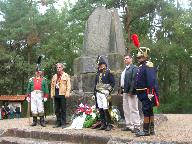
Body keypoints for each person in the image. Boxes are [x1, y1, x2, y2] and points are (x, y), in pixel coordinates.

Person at [134, 47, 159, 137]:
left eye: (141, 57)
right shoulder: (141, 66)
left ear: (145, 56)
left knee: (146, 110)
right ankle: (151, 130)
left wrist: (150, 92)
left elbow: (151, 80)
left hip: (147, 92)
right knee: (149, 110)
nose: (139, 59)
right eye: (138, 57)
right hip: (142, 92)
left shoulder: (149, 65)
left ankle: (146, 130)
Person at [120, 54, 141, 133]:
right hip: (125, 91)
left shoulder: (134, 68)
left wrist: (131, 91)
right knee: (126, 109)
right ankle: (129, 125)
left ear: (131, 59)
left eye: (127, 58)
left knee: (134, 108)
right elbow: (123, 81)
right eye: (124, 59)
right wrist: (121, 91)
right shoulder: (125, 70)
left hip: (131, 92)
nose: (125, 60)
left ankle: (137, 126)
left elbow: (134, 80)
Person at [94, 56, 115, 131]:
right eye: (99, 64)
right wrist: (95, 93)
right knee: (100, 108)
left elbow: (113, 83)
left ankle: (109, 124)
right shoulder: (98, 73)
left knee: (106, 108)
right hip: (98, 93)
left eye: (102, 64)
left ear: (105, 64)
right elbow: (96, 84)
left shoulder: (109, 72)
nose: (101, 66)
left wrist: (108, 91)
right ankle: (103, 124)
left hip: (105, 93)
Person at [26, 57, 49, 127]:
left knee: (40, 108)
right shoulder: (31, 80)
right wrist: (27, 96)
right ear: (35, 72)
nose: (38, 73)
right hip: (33, 95)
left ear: (41, 72)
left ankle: (42, 121)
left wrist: (46, 97)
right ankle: (34, 121)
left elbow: (46, 89)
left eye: (39, 72)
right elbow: (28, 89)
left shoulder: (44, 80)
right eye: (36, 72)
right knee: (33, 108)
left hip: (40, 95)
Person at [51, 63, 71, 128]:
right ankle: (58, 122)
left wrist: (67, 93)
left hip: (62, 94)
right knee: (56, 109)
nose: (58, 68)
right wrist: (52, 94)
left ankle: (63, 123)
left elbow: (68, 85)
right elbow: (52, 86)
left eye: (59, 67)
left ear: (62, 68)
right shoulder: (54, 76)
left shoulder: (66, 75)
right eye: (57, 67)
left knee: (63, 109)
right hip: (56, 94)